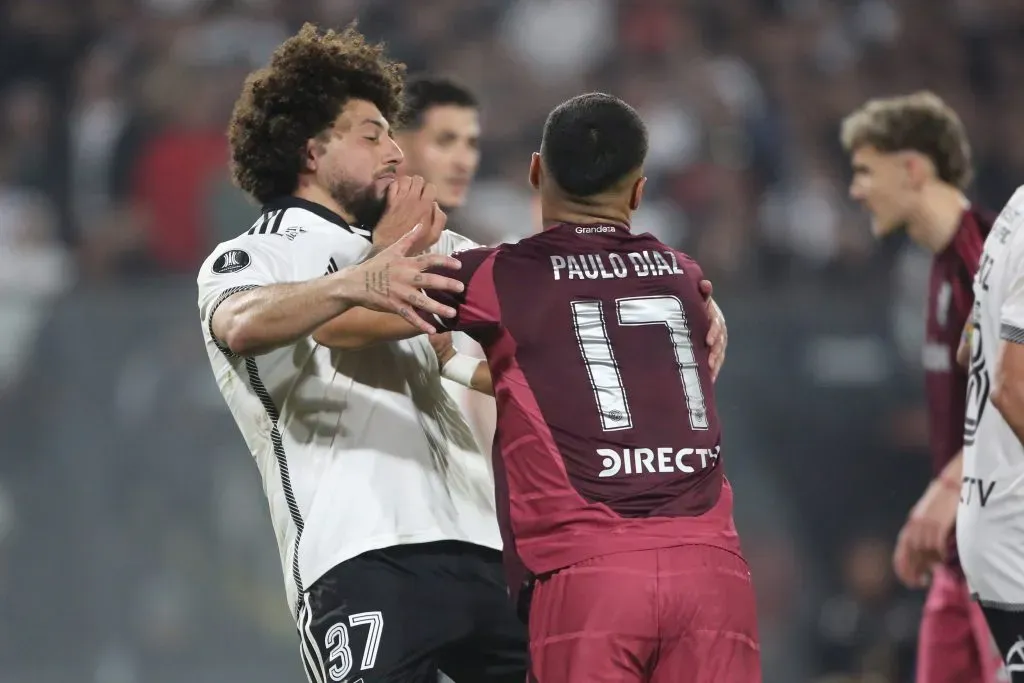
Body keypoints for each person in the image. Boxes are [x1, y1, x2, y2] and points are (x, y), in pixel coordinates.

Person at [198, 24, 527, 683]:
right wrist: (370, 270)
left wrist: (689, 302)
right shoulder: (255, 254)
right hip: (360, 555)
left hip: (487, 547)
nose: (394, 151)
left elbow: (543, 299)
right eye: (370, 134)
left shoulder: (434, 240)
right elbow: (240, 323)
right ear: (312, 151)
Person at [420, 92, 760, 683]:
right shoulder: (683, 277)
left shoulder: (502, 275)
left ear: (535, 171)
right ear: (637, 191)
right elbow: (566, 382)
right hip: (713, 575)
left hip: (589, 576)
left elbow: (374, 307)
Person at [840, 91, 1002, 683]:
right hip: (961, 562)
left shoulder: (989, 257)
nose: (856, 191)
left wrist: (949, 485)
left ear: (913, 169)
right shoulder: (932, 267)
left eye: (865, 171)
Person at [959, 183, 1024, 680]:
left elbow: (970, 346)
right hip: (1014, 526)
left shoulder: (1017, 206)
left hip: (991, 506)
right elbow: (1012, 388)